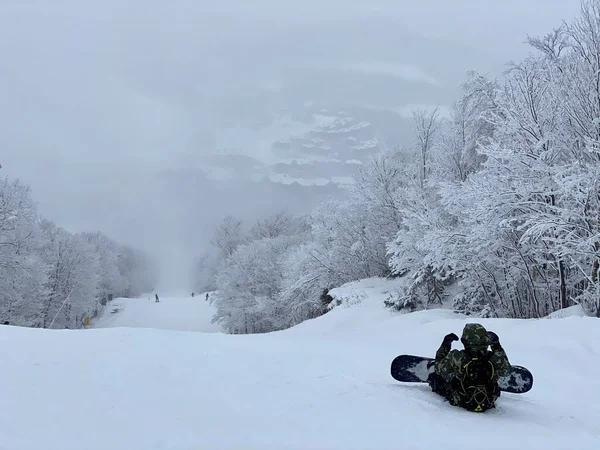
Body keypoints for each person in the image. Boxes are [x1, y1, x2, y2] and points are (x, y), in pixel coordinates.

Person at [427, 323, 511, 412]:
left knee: (436, 377)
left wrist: (446, 344)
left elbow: (438, 368)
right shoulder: (495, 358)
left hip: (462, 400)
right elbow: (507, 372)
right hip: (488, 402)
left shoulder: (457, 356)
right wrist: (497, 346)